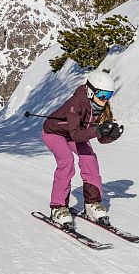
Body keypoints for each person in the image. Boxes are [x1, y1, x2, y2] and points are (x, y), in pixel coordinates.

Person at [42, 71, 123, 227]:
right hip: (54, 132)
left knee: (89, 159)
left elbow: (101, 139)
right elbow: (76, 134)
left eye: (109, 96)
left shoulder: (101, 108)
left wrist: (111, 135)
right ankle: (57, 207)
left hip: (76, 134)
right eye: (102, 95)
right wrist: (97, 130)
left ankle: (91, 204)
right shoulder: (76, 103)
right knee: (66, 160)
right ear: (91, 92)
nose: (105, 100)